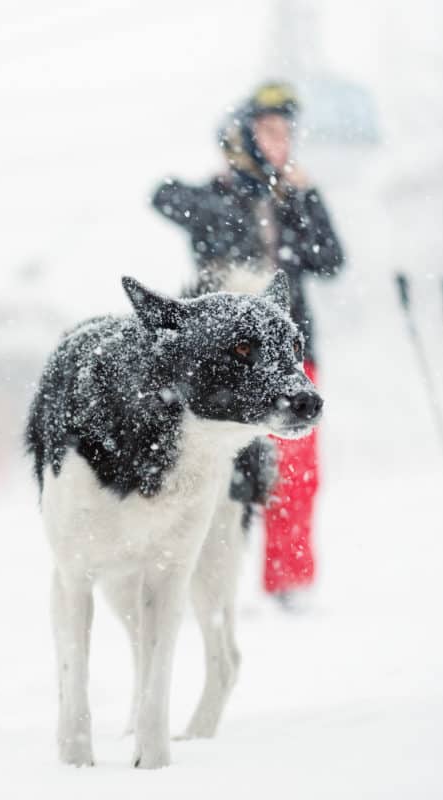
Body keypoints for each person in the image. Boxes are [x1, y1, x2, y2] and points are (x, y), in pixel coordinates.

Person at [150, 81, 345, 608]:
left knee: (296, 472)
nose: (281, 141)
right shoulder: (214, 196)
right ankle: (213, 586)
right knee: (217, 475)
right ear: (243, 136)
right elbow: (162, 196)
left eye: (288, 132)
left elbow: (330, 259)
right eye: (269, 131)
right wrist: (234, 197)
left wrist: (300, 198)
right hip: (223, 367)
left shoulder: (294, 199)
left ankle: (289, 582)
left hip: (290, 357)